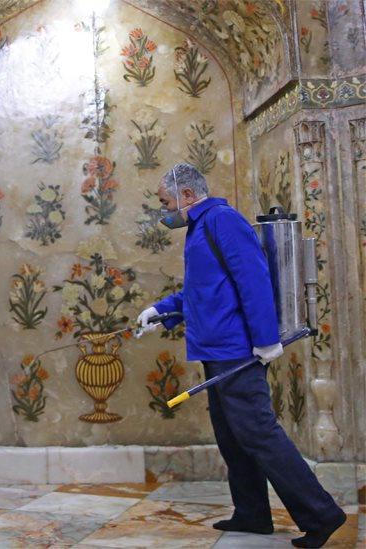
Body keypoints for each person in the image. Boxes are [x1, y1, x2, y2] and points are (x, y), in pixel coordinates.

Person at [138, 163, 345, 549]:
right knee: (232, 436)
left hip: (237, 352)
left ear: (186, 194)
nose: (163, 210)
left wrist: (266, 340)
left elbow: (253, 279)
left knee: (259, 433)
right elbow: (205, 292)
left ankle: (322, 514)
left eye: (165, 202)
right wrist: (161, 310)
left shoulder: (222, 221)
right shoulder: (200, 228)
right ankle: (252, 512)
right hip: (217, 351)